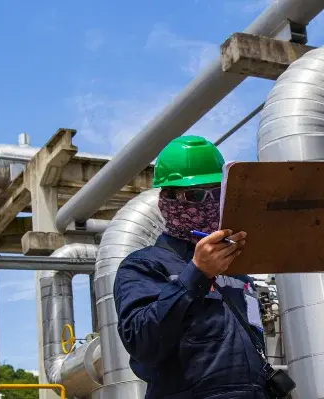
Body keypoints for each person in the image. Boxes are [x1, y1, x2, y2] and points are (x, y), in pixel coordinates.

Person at [113, 135, 269, 399]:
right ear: (167, 200)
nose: (208, 203)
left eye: (217, 193)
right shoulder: (143, 265)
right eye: (195, 194)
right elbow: (141, 342)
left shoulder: (239, 272)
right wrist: (197, 273)